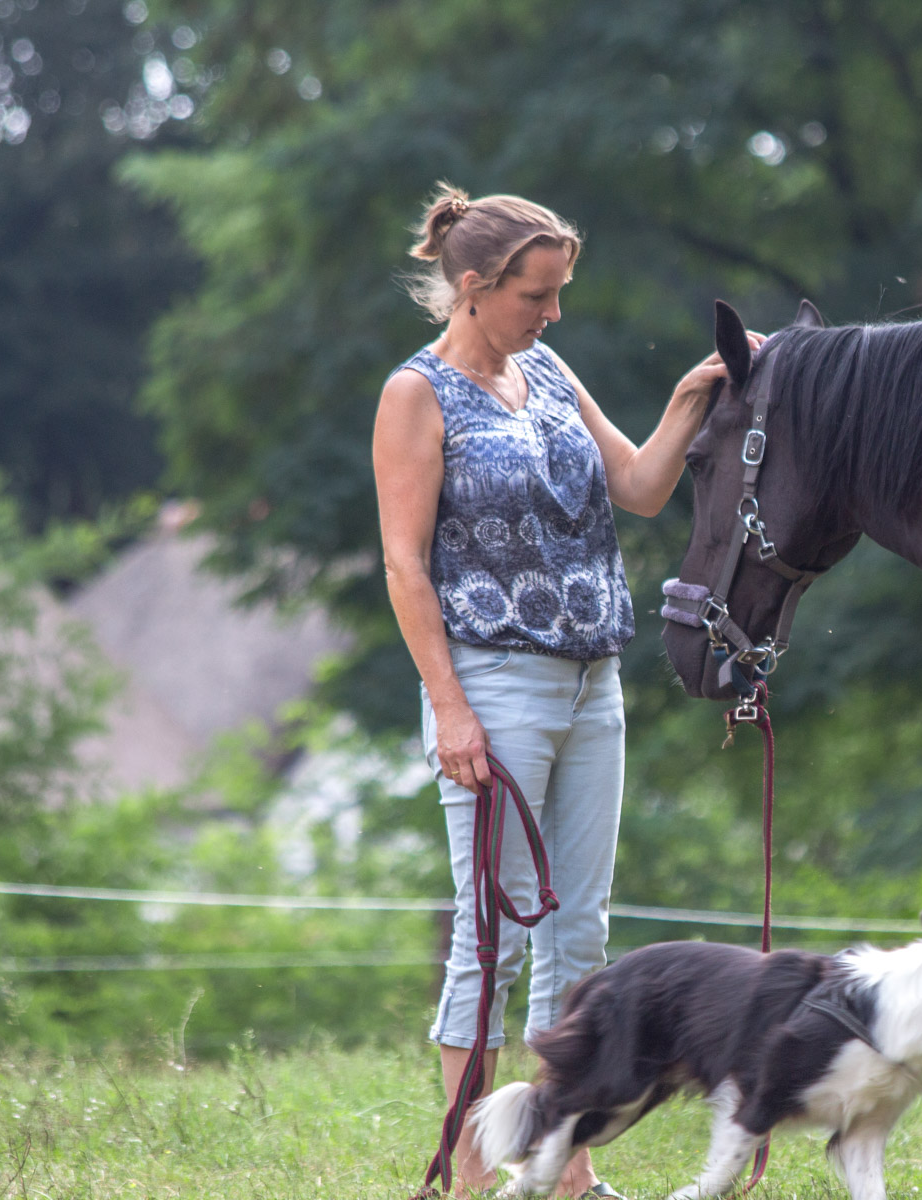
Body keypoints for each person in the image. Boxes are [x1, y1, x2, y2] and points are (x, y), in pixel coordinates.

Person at [373, 183, 759, 1197]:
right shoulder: (416, 395)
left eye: (558, 294)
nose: (552, 314)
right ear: (472, 287)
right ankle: (461, 1172)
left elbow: (636, 487)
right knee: (489, 935)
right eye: (536, 296)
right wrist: (450, 707)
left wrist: (690, 397)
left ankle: (565, 1168)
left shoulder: (544, 370)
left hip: (595, 681)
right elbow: (406, 568)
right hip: (493, 686)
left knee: (578, 934)